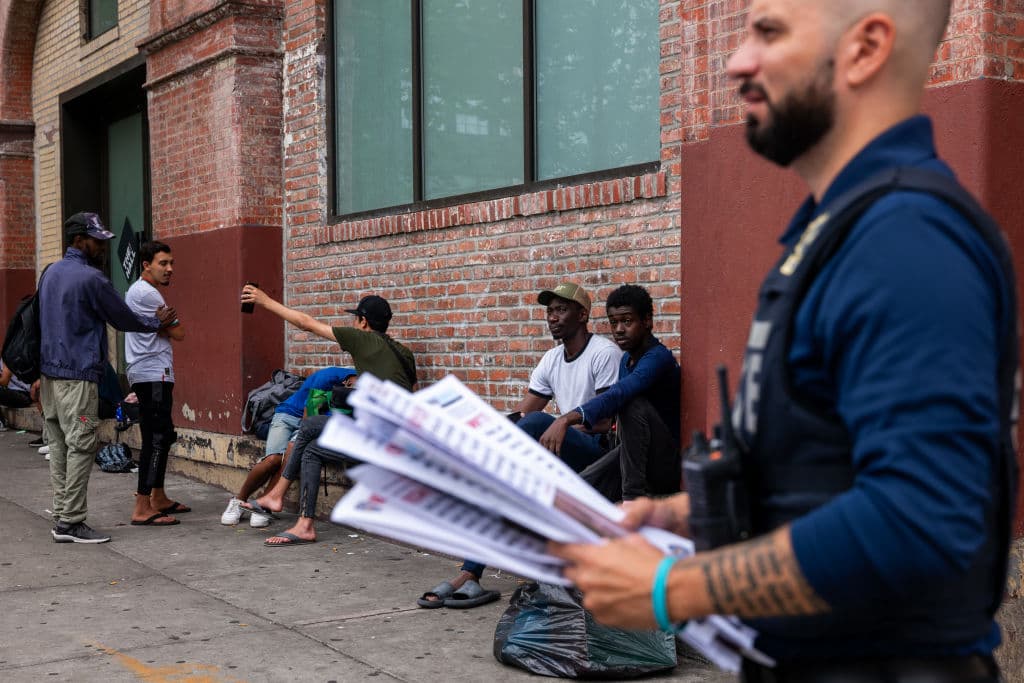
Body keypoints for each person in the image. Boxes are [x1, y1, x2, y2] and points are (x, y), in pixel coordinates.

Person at [551, 2, 1016, 680]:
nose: (738, 61)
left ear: (865, 48)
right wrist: (681, 513)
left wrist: (669, 589)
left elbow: (921, 521)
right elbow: (819, 470)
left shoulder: (907, 239)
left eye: (768, 32)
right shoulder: (837, 233)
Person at [418, 281, 623, 608]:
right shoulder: (552, 359)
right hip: (556, 452)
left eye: (561, 310)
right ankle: (471, 573)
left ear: (582, 314)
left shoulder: (604, 353)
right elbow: (525, 413)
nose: (553, 318)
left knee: (538, 425)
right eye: (550, 311)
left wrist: (559, 422)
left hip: (596, 457)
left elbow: (607, 419)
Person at [238, 288, 416, 545]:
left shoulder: (362, 339)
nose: (353, 323)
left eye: (355, 319)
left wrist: (265, 301)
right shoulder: (403, 353)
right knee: (312, 451)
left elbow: (306, 324)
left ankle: (276, 495)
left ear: (363, 322)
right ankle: (304, 525)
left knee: (310, 425)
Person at [41, 212, 177, 543]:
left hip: (50, 376)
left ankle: (62, 513)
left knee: (59, 444)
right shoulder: (92, 279)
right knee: (81, 445)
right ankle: (71, 522)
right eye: (96, 240)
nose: (102, 246)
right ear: (78, 241)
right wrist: (156, 324)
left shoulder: (50, 273)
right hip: (77, 375)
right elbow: (123, 318)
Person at [540, 284, 681, 501]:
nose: (619, 330)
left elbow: (619, 394)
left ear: (647, 321)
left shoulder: (658, 358)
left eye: (627, 321)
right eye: (614, 322)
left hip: (663, 464)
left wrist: (566, 419)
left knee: (631, 403)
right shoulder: (625, 360)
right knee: (576, 493)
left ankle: (632, 500)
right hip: (630, 455)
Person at [220, 366, 357, 527]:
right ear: (348, 381)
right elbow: (309, 416)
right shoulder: (328, 376)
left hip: (311, 424)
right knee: (273, 459)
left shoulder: (357, 396)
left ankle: (264, 503)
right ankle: (239, 500)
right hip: (288, 416)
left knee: (289, 455)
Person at [125, 241, 187, 527]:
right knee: (157, 437)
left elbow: (171, 329)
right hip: (153, 375)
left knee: (163, 433)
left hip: (152, 373)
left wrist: (163, 325)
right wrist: (165, 324)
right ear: (146, 265)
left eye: (171, 263)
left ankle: (158, 497)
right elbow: (179, 332)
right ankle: (142, 505)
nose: (170, 269)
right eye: (163, 263)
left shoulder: (141, 292)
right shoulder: (148, 294)